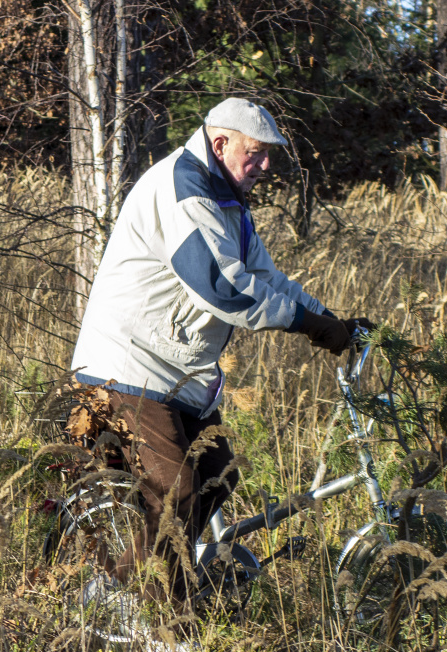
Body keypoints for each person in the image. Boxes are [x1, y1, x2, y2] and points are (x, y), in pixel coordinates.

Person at [71, 97, 370, 611]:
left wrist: (331, 321)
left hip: (176, 370)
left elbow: (266, 279)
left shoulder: (225, 198)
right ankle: (167, 629)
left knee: (217, 477)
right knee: (177, 494)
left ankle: (110, 590)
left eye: (269, 155)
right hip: (130, 366)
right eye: (256, 153)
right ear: (220, 143)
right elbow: (223, 289)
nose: (266, 165)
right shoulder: (185, 189)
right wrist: (310, 325)